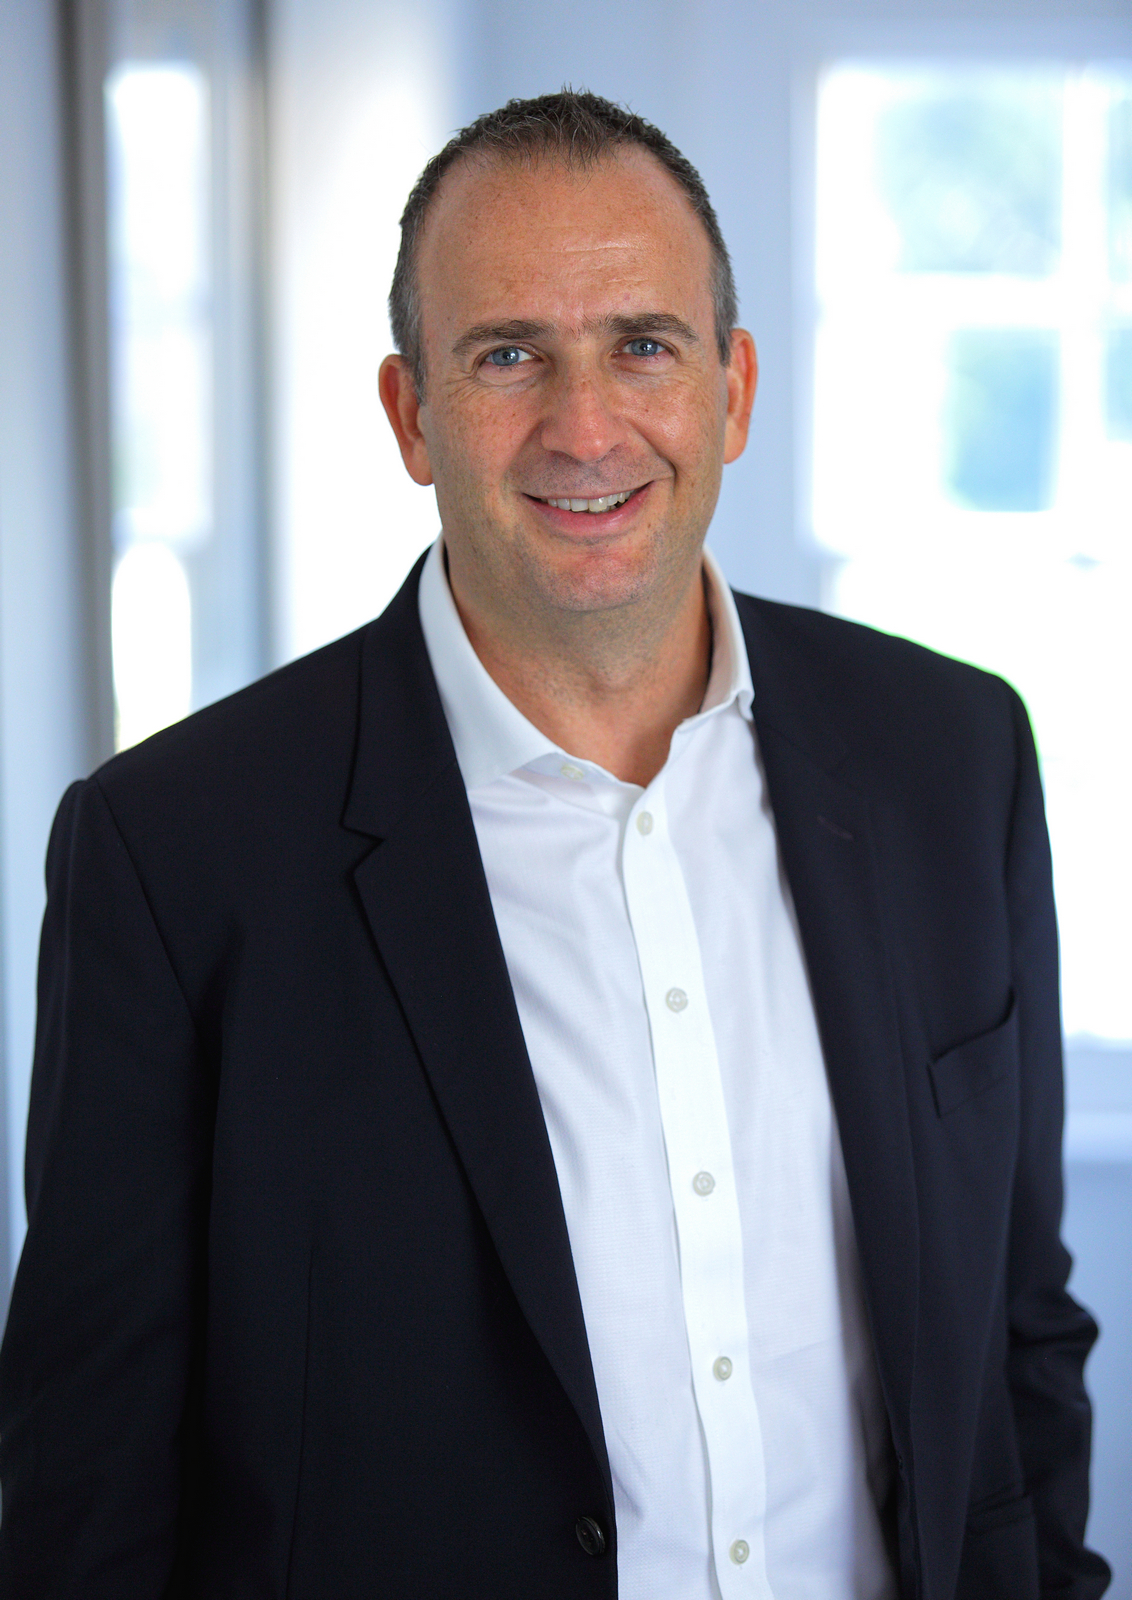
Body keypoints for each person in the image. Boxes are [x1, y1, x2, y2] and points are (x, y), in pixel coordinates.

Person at [0, 89, 1110, 1600]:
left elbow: (1019, 1331)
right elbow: (89, 1490)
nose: (586, 429)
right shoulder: (174, 857)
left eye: (643, 345)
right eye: (509, 355)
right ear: (411, 415)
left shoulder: (953, 758)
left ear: (732, 390)